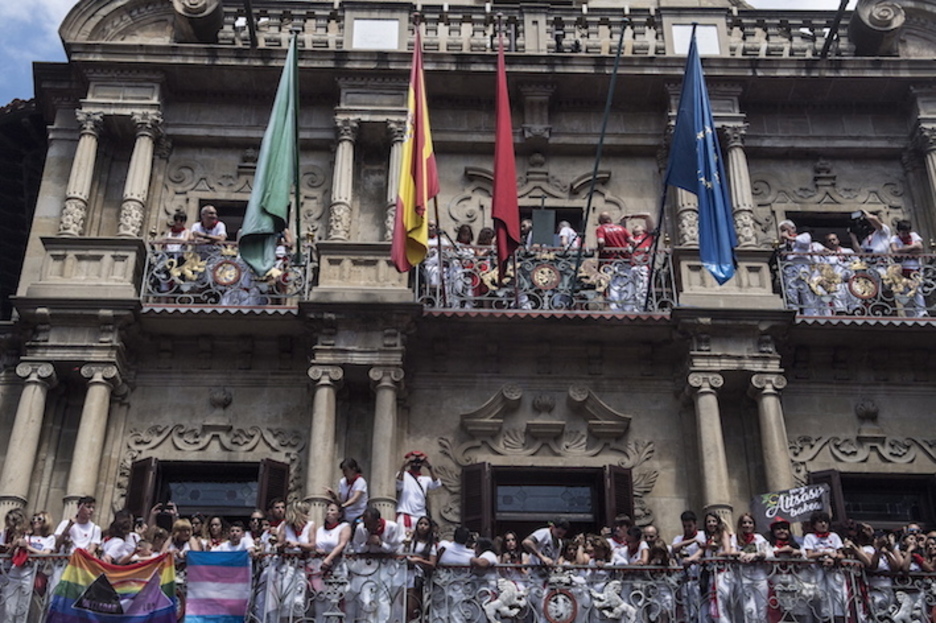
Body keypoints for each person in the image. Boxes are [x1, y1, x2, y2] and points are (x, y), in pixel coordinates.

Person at [686, 512, 734, 623]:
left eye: (713, 521)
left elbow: (727, 551)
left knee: (719, 606)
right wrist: (690, 559)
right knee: (713, 608)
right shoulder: (708, 537)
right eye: (709, 522)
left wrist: (715, 555)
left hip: (723, 573)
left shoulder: (723, 534)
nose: (711, 524)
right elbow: (700, 551)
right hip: (711, 575)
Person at [802, 511, 846, 622]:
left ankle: (838, 618)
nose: (823, 524)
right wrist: (824, 554)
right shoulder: (810, 537)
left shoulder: (834, 536)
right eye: (820, 522)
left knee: (838, 595)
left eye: (825, 522)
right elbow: (809, 554)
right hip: (817, 571)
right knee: (821, 595)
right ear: (814, 525)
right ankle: (823, 618)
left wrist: (834, 558)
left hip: (834, 571)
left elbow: (841, 554)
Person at [731, 513, 769, 622]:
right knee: (749, 611)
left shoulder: (759, 538)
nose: (747, 525)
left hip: (759, 576)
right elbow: (731, 551)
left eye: (750, 522)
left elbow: (765, 552)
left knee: (762, 610)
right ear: (740, 525)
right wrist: (740, 553)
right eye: (744, 523)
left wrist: (755, 555)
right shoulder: (735, 538)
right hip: (743, 577)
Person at [395, 451, 441, 532]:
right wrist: (403, 466)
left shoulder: (425, 479)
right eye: (413, 462)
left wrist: (429, 467)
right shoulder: (403, 475)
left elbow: (437, 484)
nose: (416, 464)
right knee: (403, 540)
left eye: (419, 462)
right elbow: (398, 485)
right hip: (406, 513)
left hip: (420, 516)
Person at [596, 211, 633, 311]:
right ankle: (628, 307)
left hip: (610, 261)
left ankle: (615, 308)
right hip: (625, 260)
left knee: (613, 286)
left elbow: (601, 241)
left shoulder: (601, 229)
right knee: (626, 284)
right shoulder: (621, 228)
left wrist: (600, 249)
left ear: (601, 221)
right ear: (610, 219)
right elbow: (632, 241)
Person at [890, 219, 928, 317]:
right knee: (906, 293)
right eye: (903, 232)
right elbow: (895, 251)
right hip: (902, 271)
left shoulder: (914, 236)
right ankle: (910, 315)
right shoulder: (894, 239)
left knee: (917, 290)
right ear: (898, 231)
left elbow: (920, 247)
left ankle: (921, 313)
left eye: (907, 232)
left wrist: (902, 250)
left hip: (915, 269)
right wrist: (911, 249)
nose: (905, 234)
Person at [403, 516, 437, 622]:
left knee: (411, 608)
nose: (422, 526)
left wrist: (418, 560)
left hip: (416, 576)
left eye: (425, 524)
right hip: (404, 573)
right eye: (420, 523)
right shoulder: (411, 539)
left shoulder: (430, 545)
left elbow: (432, 563)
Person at [326, 458, 369, 525]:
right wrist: (334, 496)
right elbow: (340, 501)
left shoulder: (361, 482)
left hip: (359, 515)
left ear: (353, 469)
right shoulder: (342, 482)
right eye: (343, 470)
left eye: (346, 470)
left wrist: (343, 506)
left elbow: (355, 499)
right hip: (345, 516)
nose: (344, 473)